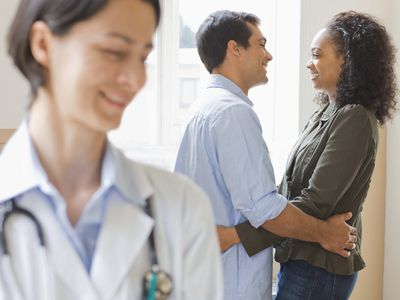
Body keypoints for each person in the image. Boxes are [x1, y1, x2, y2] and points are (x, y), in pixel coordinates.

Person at [0, 0, 223, 299]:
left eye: (142, 57)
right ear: (43, 44)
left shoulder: (182, 207)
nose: (135, 80)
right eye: (114, 52)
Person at [174, 10, 357, 300]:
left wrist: (233, 235)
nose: (269, 55)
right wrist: (324, 232)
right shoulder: (232, 113)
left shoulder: (202, 108)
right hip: (231, 285)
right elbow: (265, 209)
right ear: (234, 49)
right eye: (261, 44)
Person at [221, 11, 398, 300]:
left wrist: (235, 237)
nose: (309, 63)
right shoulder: (325, 115)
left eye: (317, 55)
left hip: (319, 270)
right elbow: (287, 189)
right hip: (302, 260)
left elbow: (316, 202)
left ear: (348, 60)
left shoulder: (354, 118)